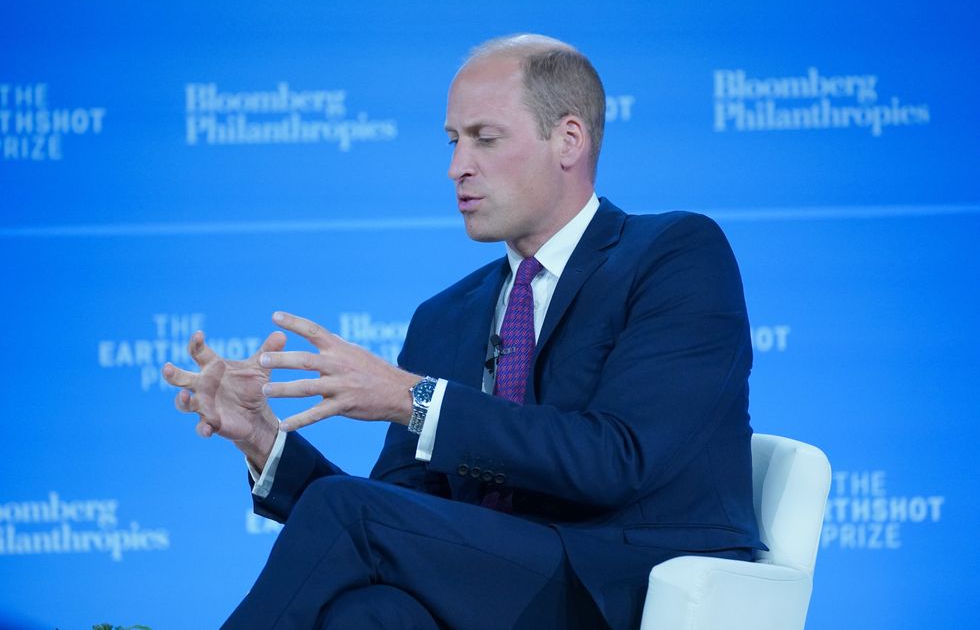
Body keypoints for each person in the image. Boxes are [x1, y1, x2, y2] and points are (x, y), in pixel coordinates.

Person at [162, 33, 764, 630]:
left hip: (619, 587)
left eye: (484, 138)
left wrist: (411, 399)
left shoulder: (673, 255)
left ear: (568, 140)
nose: (457, 168)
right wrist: (265, 443)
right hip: (492, 589)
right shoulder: (444, 316)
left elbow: (620, 458)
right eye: (453, 141)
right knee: (371, 614)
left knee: (356, 525)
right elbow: (394, 515)